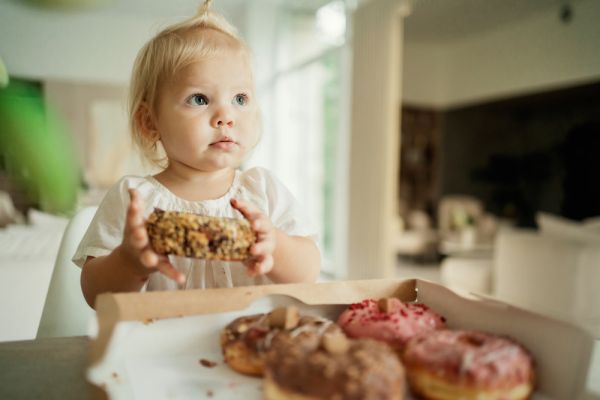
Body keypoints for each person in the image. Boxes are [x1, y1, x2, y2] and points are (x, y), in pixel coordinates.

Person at [74, 0, 321, 308]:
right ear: (150, 122)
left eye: (240, 98)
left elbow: (309, 271)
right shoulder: (134, 198)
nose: (226, 115)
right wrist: (128, 261)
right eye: (200, 98)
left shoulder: (263, 190)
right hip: (159, 346)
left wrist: (276, 245)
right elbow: (94, 295)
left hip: (252, 343)